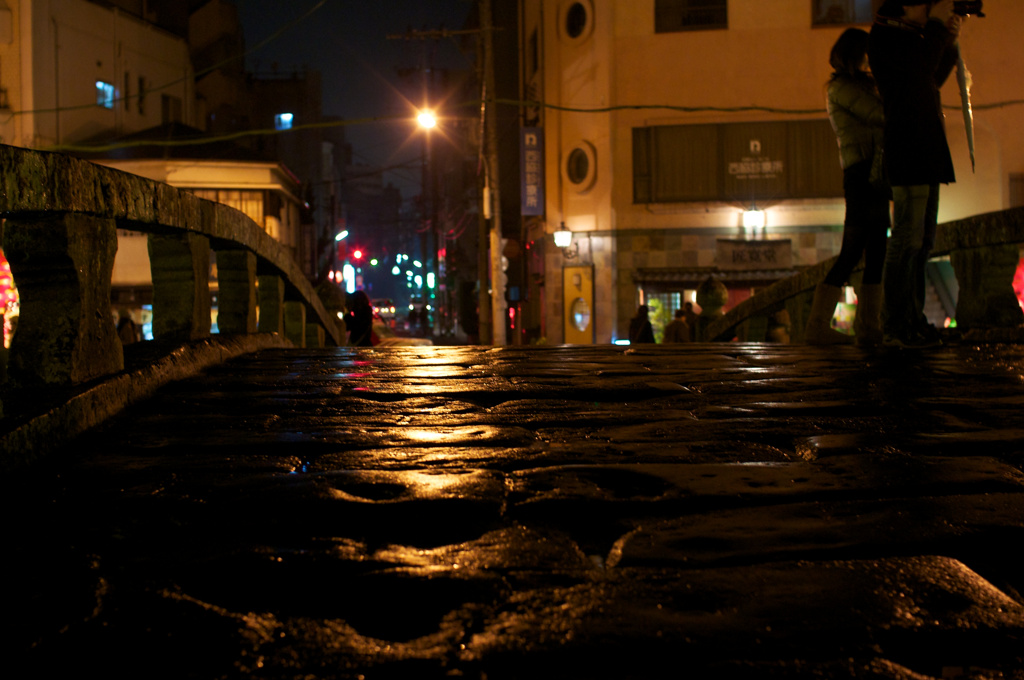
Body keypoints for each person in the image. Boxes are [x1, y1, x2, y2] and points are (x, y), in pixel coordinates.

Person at [869, 0, 961, 346]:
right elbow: (920, 71)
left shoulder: (911, 37)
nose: (931, 9)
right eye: (928, 4)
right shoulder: (885, 37)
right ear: (906, 5)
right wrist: (937, 31)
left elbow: (931, 79)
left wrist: (947, 42)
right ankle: (895, 324)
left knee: (923, 242)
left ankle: (913, 317)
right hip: (907, 146)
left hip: (925, 146)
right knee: (906, 239)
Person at [805, 28, 890, 346]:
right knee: (853, 248)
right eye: (866, 53)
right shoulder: (840, 87)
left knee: (878, 249)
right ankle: (816, 325)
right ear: (854, 55)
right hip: (860, 172)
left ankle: (868, 326)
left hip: (875, 171)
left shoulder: (861, 85)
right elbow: (879, 115)